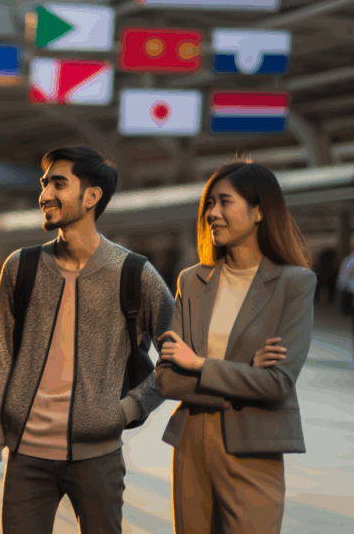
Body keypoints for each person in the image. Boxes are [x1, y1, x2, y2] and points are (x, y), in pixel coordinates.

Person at [0, 146, 175, 534]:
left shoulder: (134, 273)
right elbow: (0, 364)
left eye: (58, 184)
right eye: (44, 185)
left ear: (92, 196)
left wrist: (127, 409)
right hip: (26, 458)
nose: (45, 195)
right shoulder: (21, 267)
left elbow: (179, 356)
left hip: (99, 459)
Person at [157, 160, 316, 534]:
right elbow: (166, 380)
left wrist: (199, 365)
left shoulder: (294, 284)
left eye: (225, 202)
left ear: (259, 210)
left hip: (254, 448)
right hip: (191, 445)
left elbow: (277, 385)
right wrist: (246, 370)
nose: (212, 213)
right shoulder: (193, 281)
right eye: (209, 203)